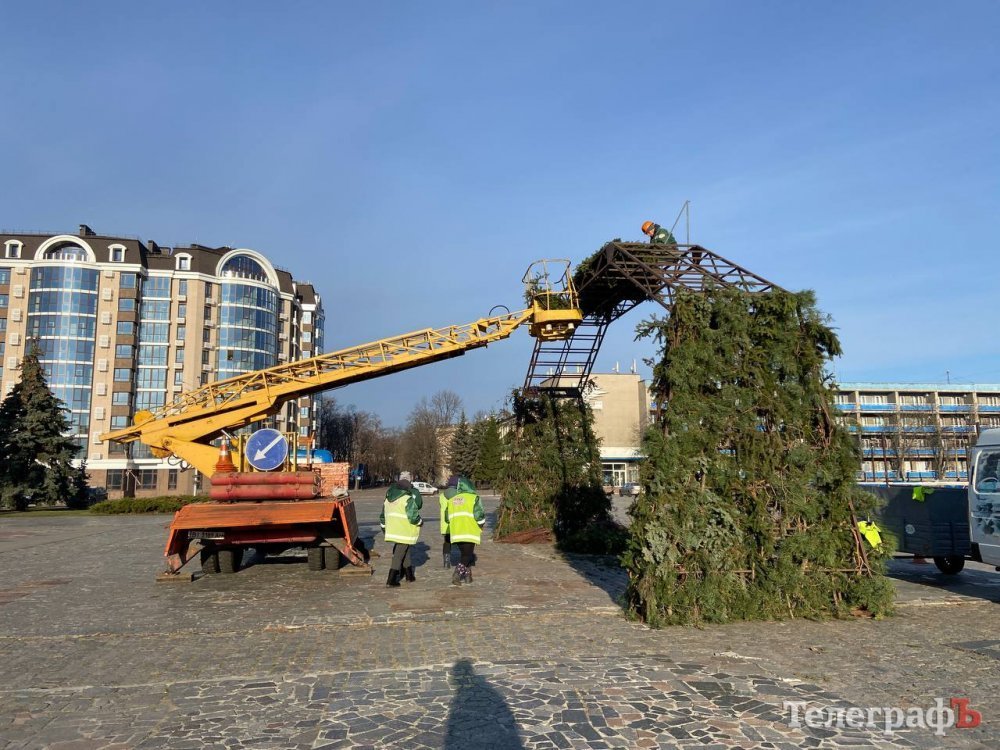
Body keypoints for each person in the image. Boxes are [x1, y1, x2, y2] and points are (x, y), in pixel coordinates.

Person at [442, 475, 486, 585]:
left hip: (456, 532)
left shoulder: (452, 500)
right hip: (469, 531)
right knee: (467, 556)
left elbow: (447, 518)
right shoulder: (474, 498)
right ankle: (457, 574)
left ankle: (468, 577)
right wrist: (481, 524)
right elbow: (479, 515)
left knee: (465, 554)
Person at [379, 478, 422, 587]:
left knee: (405, 551)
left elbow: (383, 516)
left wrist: (384, 528)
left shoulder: (388, 499)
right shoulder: (407, 499)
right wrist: (420, 522)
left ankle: (409, 575)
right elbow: (413, 517)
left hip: (393, 530)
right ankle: (391, 580)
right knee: (398, 555)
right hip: (404, 530)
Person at [439, 479, 454, 569]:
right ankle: (464, 562)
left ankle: (446, 562)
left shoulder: (442, 496)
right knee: (461, 543)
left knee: (447, 542)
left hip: (445, 525)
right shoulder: (458, 495)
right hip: (455, 523)